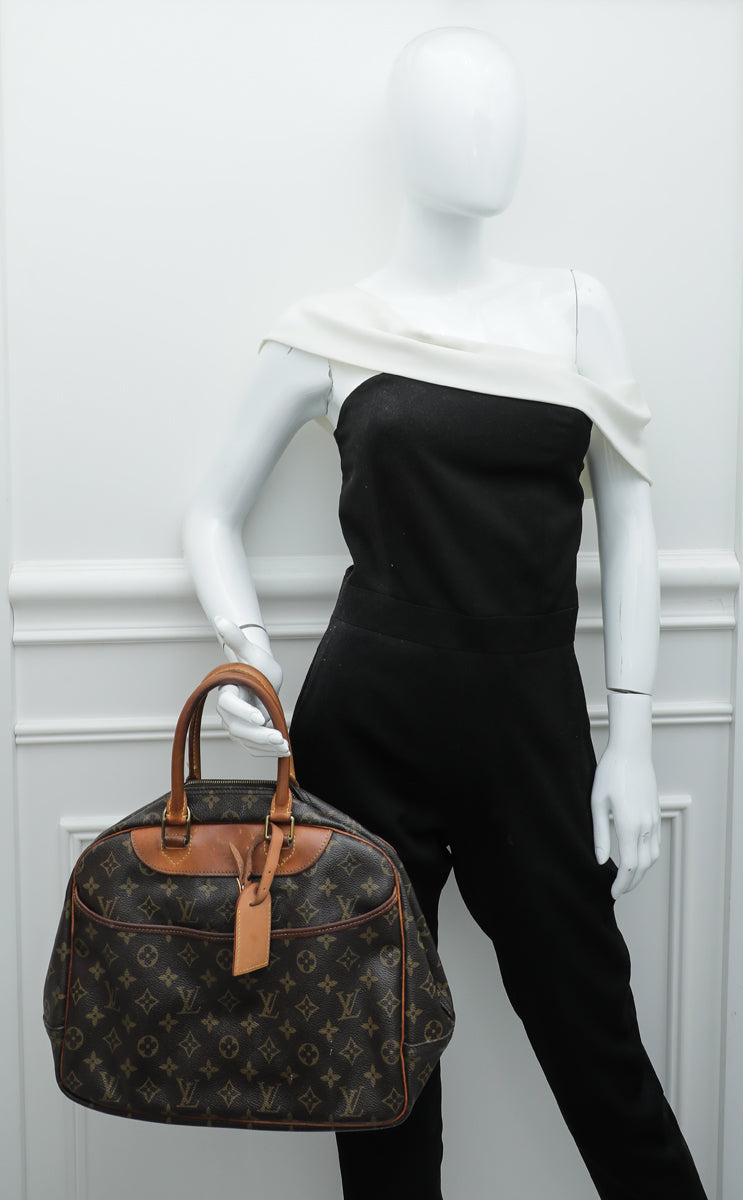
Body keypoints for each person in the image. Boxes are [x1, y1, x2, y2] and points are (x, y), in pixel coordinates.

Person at [182, 26, 707, 1200]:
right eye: (455, 111)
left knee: (597, 1051)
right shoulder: (327, 330)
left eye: (500, 110)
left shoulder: (575, 309)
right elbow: (209, 511)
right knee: (376, 1072)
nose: (486, 135)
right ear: (404, 138)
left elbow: (629, 518)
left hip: (531, 725)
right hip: (363, 730)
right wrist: (247, 659)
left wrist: (629, 736)